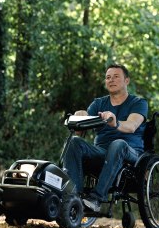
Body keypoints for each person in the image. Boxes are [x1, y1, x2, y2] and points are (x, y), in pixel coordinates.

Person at [63, 64, 148, 212]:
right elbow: (80, 133)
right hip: (102, 153)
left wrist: (115, 123)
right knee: (74, 142)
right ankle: (73, 199)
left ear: (126, 81)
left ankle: (96, 198)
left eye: (116, 77)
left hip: (130, 153)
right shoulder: (98, 104)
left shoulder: (138, 103)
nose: (111, 80)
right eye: (108, 77)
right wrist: (80, 118)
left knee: (118, 144)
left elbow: (132, 126)